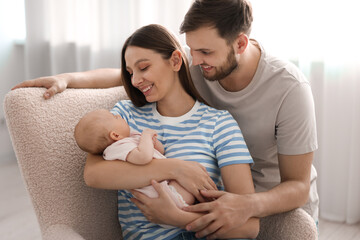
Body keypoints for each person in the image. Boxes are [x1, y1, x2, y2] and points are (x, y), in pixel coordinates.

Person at [12, 0, 319, 238]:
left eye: (203, 52)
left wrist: (187, 216)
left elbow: (294, 188)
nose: (193, 61)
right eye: (190, 50)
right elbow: (127, 74)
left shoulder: (288, 90)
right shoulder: (189, 70)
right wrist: (69, 78)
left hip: (275, 195)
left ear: (240, 44)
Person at [74, 108, 195, 210]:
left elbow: (159, 152)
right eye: (115, 117)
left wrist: (153, 143)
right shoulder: (117, 148)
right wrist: (146, 136)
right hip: (164, 196)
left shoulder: (128, 141)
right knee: (192, 193)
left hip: (166, 187)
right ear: (115, 135)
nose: (119, 116)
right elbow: (144, 157)